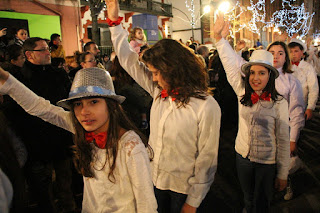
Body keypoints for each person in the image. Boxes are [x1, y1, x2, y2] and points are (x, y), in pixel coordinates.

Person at [106, 1, 221, 212]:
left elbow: (207, 159)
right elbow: (127, 60)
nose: (154, 79)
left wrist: (193, 201)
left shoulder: (206, 106)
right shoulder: (160, 92)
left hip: (183, 190)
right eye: (151, 73)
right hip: (153, 179)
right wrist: (114, 22)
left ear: (174, 69)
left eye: (157, 73)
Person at [0, 66, 158, 213]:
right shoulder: (81, 129)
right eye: (77, 104)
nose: (84, 111)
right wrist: (9, 82)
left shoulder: (130, 145)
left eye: (94, 102)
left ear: (112, 105)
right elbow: (42, 108)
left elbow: (146, 203)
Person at [213, 13, 290, 212]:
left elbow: (282, 139)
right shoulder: (242, 92)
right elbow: (231, 65)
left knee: (263, 202)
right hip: (242, 157)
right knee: (247, 199)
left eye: (262, 73)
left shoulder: (279, 102)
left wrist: (283, 172)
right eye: (252, 73)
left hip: (267, 161)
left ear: (270, 76)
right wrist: (219, 40)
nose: (255, 78)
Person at [3, 37, 75, 213]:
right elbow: (16, 112)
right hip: (36, 143)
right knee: (43, 187)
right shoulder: (20, 78)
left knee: (65, 182)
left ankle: (70, 208)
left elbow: (69, 100)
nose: (48, 53)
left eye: (48, 49)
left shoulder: (57, 74)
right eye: (42, 50)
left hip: (61, 138)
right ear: (29, 55)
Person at [288, 38, 319, 121]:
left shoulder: (308, 67)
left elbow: (313, 88)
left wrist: (310, 107)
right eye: (291, 52)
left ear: (302, 53)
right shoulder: (285, 67)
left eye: (296, 51)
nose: (293, 54)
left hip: (301, 106)